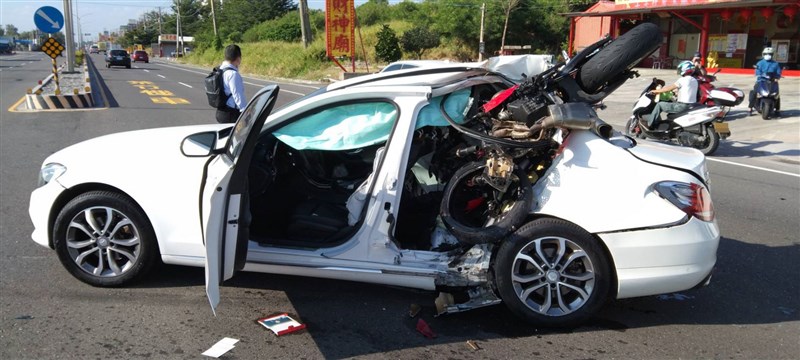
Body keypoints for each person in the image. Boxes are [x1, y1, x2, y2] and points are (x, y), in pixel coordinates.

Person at [644, 61, 698, 128]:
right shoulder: (694, 80)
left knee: (659, 105)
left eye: (681, 69)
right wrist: (675, 93)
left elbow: (668, 88)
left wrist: (655, 91)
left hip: (682, 106)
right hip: (691, 105)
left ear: (685, 69)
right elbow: (686, 90)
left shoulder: (682, 80)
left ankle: (649, 124)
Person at [216, 44, 246, 124]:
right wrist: (246, 114)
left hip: (221, 111)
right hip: (231, 114)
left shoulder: (220, 69)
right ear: (238, 58)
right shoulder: (233, 74)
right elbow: (238, 96)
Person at [748, 47, 782, 116]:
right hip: (761, 80)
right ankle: (750, 108)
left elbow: (778, 72)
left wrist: (777, 77)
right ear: (763, 54)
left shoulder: (776, 64)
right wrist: (759, 74)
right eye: (766, 54)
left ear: (772, 55)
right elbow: (757, 71)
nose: (768, 55)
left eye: (769, 54)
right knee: (754, 93)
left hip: (772, 81)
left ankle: (777, 109)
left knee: (776, 94)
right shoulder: (760, 63)